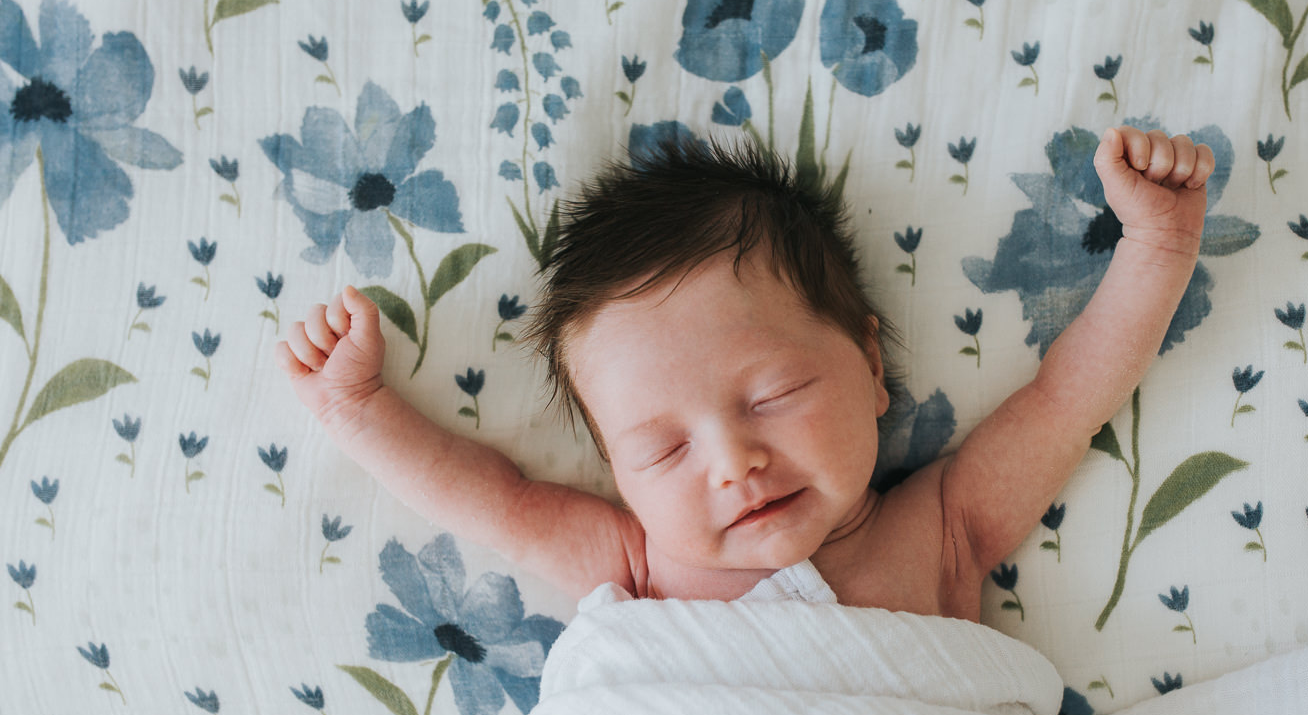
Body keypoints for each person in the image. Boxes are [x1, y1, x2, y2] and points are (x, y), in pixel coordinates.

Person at [276, 127, 1214, 620]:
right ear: (613, 466)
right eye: (663, 448)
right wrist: (356, 410)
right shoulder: (638, 563)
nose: (732, 464)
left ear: (871, 365)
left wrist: (1160, 243)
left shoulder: (944, 525)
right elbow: (498, 501)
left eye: (772, 396)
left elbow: (1068, 397)